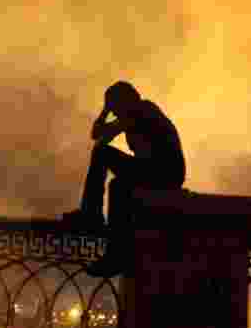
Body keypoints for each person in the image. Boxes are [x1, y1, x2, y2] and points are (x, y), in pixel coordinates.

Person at [63, 81, 186, 277]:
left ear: (124, 101)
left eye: (114, 106)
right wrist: (105, 111)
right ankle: (116, 252)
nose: (115, 112)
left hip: (163, 171)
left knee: (102, 153)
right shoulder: (134, 114)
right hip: (157, 171)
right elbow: (96, 134)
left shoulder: (142, 110)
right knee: (118, 186)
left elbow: (100, 137)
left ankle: (91, 215)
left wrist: (106, 113)